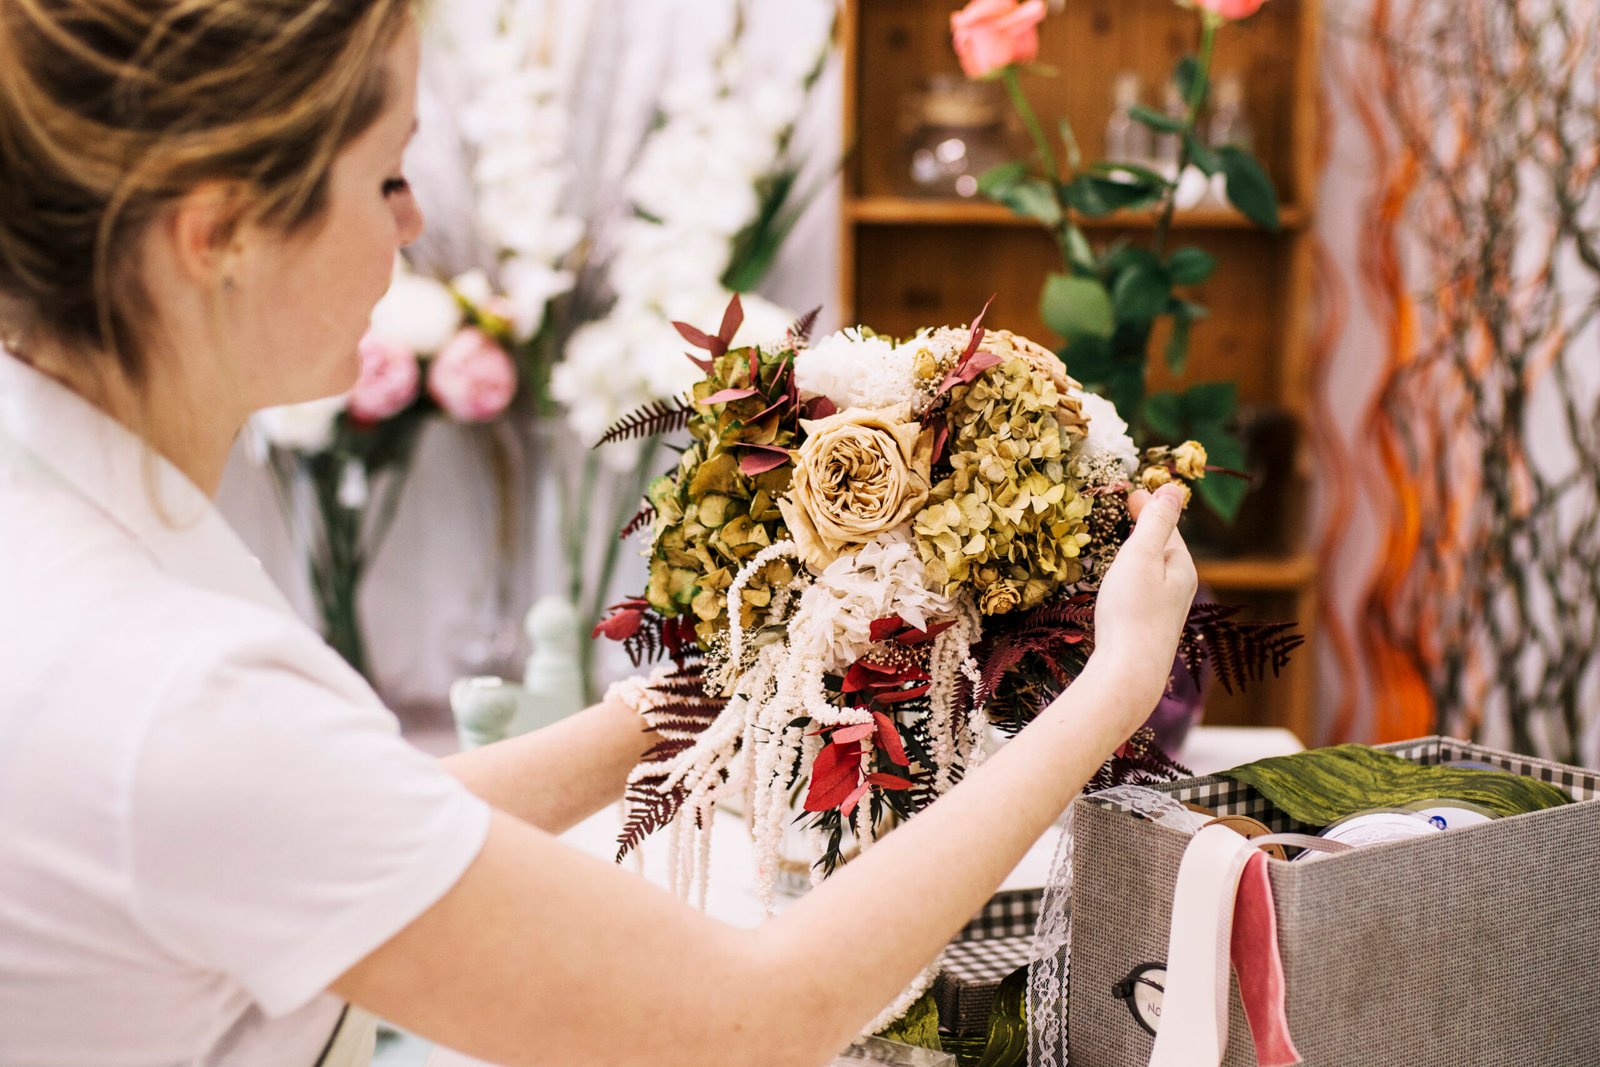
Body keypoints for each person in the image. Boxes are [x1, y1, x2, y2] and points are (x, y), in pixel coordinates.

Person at [0, 2, 1198, 1065]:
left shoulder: (59, 514)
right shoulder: (168, 688)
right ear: (219, 234)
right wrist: (1113, 685)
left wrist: (694, 694)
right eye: (383, 177)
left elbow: (332, 823)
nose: (411, 224)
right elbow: (751, 1017)